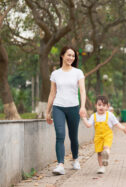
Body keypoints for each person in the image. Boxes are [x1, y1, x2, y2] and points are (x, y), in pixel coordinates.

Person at [45, 46, 87, 175]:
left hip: (74, 107)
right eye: (68, 55)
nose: (71, 58)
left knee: (73, 136)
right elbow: (52, 93)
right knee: (60, 135)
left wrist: (83, 106)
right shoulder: (55, 74)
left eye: (73, 56)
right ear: (62, 55)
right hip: (58, 107)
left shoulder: (78, 72)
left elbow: (82, 91)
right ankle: (60, 165)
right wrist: (47, 111)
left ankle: (75, 159)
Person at [82, 96, 126, 174]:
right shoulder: (93, 116)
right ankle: (101, 167)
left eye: (104, 105)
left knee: (106, 148)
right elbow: (88, 125)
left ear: (107, 106)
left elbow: (116, 123)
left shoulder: (109, 115)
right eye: (99, 105)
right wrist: (84, 118)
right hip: (98, 137)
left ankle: (106, 155)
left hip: (107, 135)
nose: (101, 107)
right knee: (99, 153)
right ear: (96, 105)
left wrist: (123, 128)